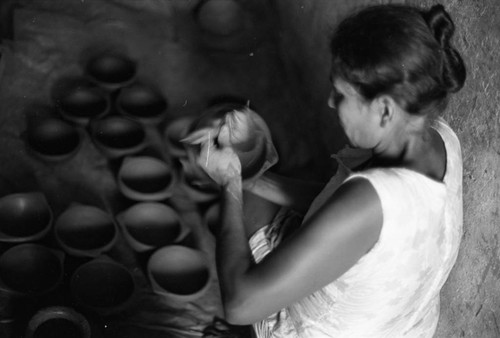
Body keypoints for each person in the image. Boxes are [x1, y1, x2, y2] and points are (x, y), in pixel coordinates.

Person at [191, 4, 466, 337]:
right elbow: (336, 202)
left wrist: (231, 186)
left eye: (341, 95)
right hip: (402, 324)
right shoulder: (440, 138)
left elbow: (239, 306)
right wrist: (252, 178)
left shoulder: (368, 202)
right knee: (254, 198)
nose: (331, 103)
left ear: (383, 110)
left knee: (241, 215)